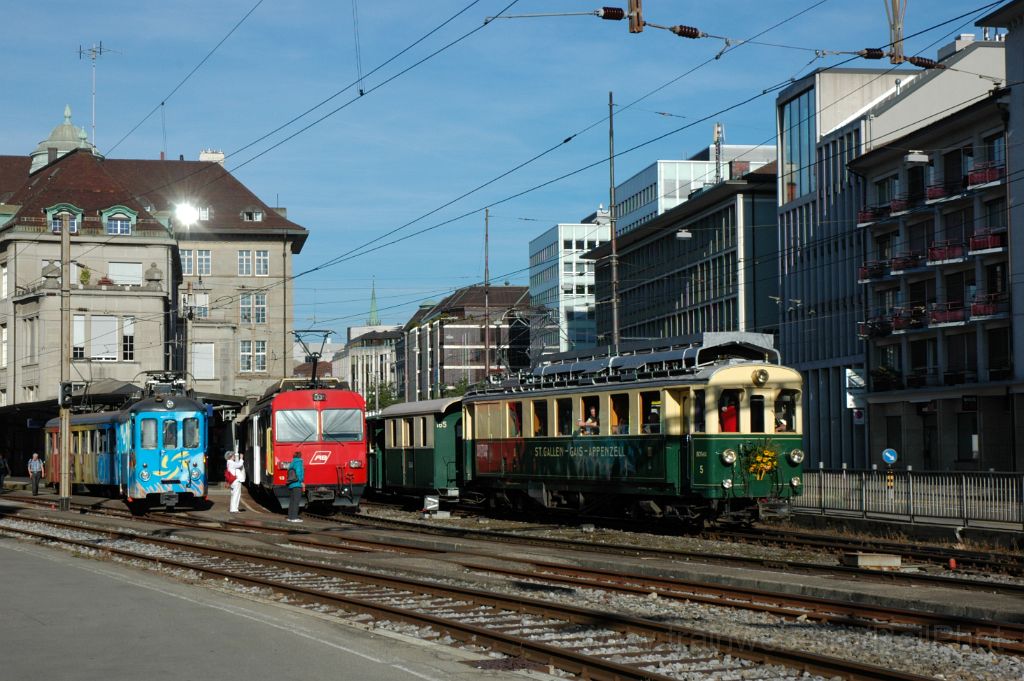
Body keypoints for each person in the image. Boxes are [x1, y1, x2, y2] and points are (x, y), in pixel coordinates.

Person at [286, 451, 304, 523]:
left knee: (292, 501)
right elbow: (299, 472)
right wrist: (301, 481)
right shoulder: (299, 463)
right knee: (296, 501)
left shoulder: (292, 463)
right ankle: (294, 518)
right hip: (297, 484)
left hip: (291, 484)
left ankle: (290, 517)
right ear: (300, 456)